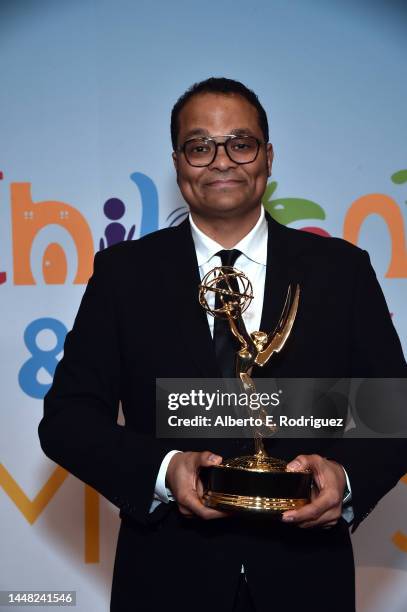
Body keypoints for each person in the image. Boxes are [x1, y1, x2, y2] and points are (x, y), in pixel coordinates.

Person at [38, 78, 407, 612]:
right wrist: (164, 471)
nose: (221, 161)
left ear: (268, 156)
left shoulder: (341, 271)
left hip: (306, 580)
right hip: (164, 579)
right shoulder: (124, 275)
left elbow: (392, 413)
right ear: (178, 162)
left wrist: (344, 480)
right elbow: (67, 420)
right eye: (199, 146)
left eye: (241, 143)